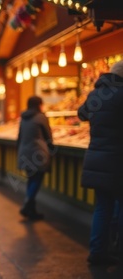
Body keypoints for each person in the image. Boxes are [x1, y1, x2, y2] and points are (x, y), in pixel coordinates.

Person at [78, 60, 123, 265]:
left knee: (102, 207)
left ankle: (97, 252)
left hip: (96, 158)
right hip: (117, 160)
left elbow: (82, 114)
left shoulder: (96, 93)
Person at [17, 96, 53, 220]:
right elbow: (48, 136)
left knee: (31, 179)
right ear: (39, 104)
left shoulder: (23, 118)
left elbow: (19, 137)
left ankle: (31, 210)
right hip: (38, 153)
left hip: (25, 153)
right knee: (36, 179)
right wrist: (51, 149)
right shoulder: (41, 117)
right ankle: (27, 204)